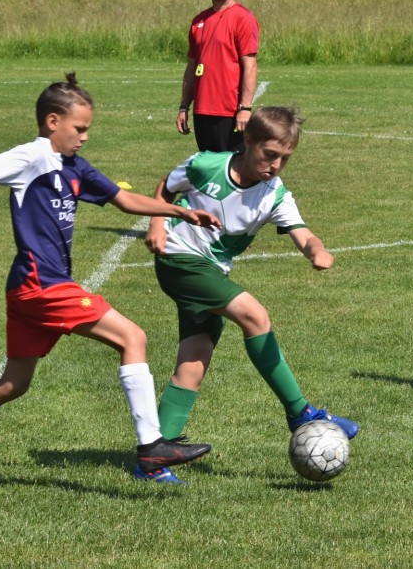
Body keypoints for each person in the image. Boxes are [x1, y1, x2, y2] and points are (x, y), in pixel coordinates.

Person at [0, 74, 223, 487]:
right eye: (80, 128)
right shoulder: (32, 156)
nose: (85, 137)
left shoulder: (74, 167)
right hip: (43, 285)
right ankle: (151, 447)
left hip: (27, 289)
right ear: (53, 122)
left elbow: (124, 200)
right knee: (133, 337)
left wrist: (180, 212)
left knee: (14, 384)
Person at [143, 105, 358, 483]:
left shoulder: (275, 195)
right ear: (248, 141)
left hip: (212, 270)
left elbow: (303, 233)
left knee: (194, 360)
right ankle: (300, 413)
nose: (276, 165)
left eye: (285, 158)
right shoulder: (206, 165)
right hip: (180, 260)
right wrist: (157, 225)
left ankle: (153, 459)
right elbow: (167, 186)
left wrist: (317, 251)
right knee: (254, 315)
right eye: (269, 154)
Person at [175, 0, 260, 153]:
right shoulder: (198, 21)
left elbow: (250, 66)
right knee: (208, 165)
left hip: (230, 112)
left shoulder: (243, 18)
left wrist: (245, 108)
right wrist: (184, 107)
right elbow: (191, 67)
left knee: (233, 166)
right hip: (202, 111)